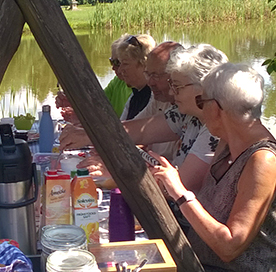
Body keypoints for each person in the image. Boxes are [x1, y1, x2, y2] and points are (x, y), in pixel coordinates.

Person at [150, 63, 276, 272]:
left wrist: (180, 193)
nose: (199, 109)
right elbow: (208, 210)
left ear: (216, 108)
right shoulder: (227, 146)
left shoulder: (263, 160)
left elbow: (230, 246)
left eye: (201, 100)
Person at [60, 44, 227, 193]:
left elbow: (180, 185)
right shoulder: (187, 115)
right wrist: (87, 134)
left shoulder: (215, 129)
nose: (171, 92)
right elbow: (140, 132)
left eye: (177, 86)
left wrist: (115, 171)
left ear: (203, 87)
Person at [116, 34, 155, 120]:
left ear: (144, 64)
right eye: (120, 63)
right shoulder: (134, 96)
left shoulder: (156, 97)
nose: (120, 70)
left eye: (125, 64)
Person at [103, 34, 134, 116]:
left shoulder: (141, 89)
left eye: (117, 63)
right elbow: (98, 101)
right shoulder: (118, 80)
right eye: (111, 61)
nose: (113, 68)